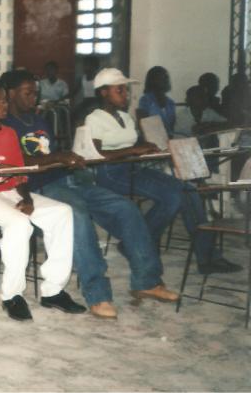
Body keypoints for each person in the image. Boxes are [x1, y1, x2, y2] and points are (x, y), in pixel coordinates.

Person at [2, 70, 178, 319]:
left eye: (35, 93)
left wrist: (68, 158)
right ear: (10, 94)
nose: (35, 98)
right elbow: (18, 161)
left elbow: (49, 153)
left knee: (126, 209)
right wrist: (58, 157)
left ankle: (147, 281)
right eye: (28, 93)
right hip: (37, 187)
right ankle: (98, 295)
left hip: (64, 178)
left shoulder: (38, 121)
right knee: (78, 216)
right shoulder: (5, 124)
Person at [85, 68, 242, 275]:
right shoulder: (94, 119)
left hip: (133, 168)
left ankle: (207, 256)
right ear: (103, 92)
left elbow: (132, 144)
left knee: (187, 190)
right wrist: (134, 149)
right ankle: (138, 244)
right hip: (110, 173)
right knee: (172, 197)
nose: (126, 94)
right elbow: (95, 154)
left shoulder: (126, 117)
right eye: (120, 90)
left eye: (126, 90)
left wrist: (150, 145)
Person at [0, 80, 84, 321]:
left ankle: (53, 290)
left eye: (4, 99)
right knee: (19, 224)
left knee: (61, 212)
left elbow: (20, 174)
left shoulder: (10, 133)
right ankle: (11, 295)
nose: (4, 105)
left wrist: (27, 198)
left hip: (10, 191)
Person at [137, 66, 176, 135]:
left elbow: (171, 128)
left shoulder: (171, 103)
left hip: (168, 140)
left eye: (166, 77)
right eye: (160, 77)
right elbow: (143, 126)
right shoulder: (145, 100)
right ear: (152, 80)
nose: (164, 80)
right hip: (150, 141)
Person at [72, 55, 99, 123]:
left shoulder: (98, 78)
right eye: (85, 65)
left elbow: (99, 95)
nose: (86, 67)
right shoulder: (82, 78)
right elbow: (74, 92)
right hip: (86, 102)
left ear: (95, 67)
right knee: (74, 112)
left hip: (96, 102)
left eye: (88, 65)